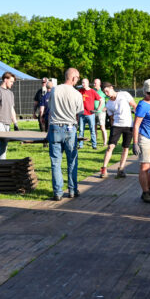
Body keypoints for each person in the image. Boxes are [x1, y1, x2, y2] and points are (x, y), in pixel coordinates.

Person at [48, 68, 84, 200]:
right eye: (78, 78)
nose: (78, 80)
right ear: (73, 78)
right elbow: (79, 113)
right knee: (72, 161)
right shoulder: (77, 94)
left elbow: (50, 108)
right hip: (70, 128)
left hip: (55, 128)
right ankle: (72, 190)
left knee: (55, 162)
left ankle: (57, 192)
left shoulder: (54, 90)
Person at [100, 82, 136, 178]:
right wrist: (112, 128)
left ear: (111, 88)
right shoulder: (108, 104)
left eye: (107, 91)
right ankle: (104, 169)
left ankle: (121, 169)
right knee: (110, 147)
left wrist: (137, 121)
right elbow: (111, 118)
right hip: (116, 126)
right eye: (104, 92)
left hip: (128, 125)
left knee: (125, 148)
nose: (106, 94)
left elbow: (134, 106)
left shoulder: (124, 94)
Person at [0, 72, 20, 160]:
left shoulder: (11, 93)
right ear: (5, 80)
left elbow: (12, 109)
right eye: (11, 81)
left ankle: (2, 163)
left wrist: (15, 123)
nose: (12, 83)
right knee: (2, 145)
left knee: (5, 146)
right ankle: (2, 164)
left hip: (7, 122)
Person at [77, 78, 101, 149]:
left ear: (88, 83)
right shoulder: (80, 91)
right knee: (81, 130)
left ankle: (94, 145)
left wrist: (97, 109)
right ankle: (80, 145)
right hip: (82, 114)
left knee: (92, 130)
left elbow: (101, 100)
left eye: (84, 83)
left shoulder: (92, 91)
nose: (83, 84)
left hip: (90, 114)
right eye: (82, 83)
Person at [93, 78, 108, 147]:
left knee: (102, 127)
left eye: (95, 83)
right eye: (94, 83)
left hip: (101, 112)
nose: (94, 84)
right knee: (94, 128)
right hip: (93, 112)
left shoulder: (103, 92)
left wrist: (106, 107)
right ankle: (94, 142)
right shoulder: (93, 91)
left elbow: (111, 98)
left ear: (99, 84)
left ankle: (105, 142)